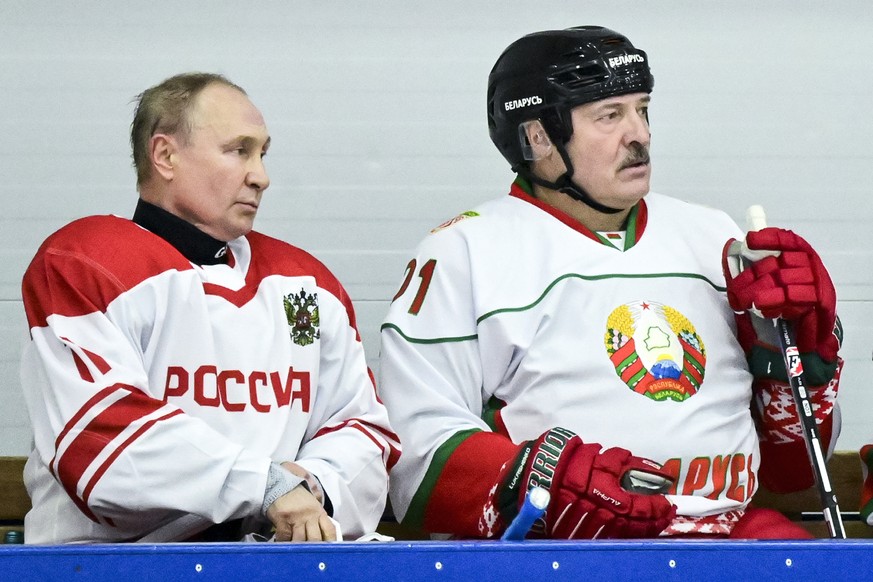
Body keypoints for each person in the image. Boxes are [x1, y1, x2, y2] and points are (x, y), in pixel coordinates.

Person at [378, 26, 843, 540]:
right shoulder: (464, 251)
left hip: (729, 534)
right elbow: (415, 447)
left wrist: (800, 362)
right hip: (560, 547)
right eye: (609, 115)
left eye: (642, 109)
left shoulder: (714, 236)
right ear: (537, 137)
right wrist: (536, 483)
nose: (639, 133)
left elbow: (794, 471)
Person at [20, 72, 400, 544]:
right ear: (165, 155)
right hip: (115, 569)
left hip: (274, 565)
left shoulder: (306, 284)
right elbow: (101, 440)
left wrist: (313, 489)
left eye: (263, 153)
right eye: (238, 150)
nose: (261, 175)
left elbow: (360, 425)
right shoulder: (84, 263)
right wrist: (265, 486)